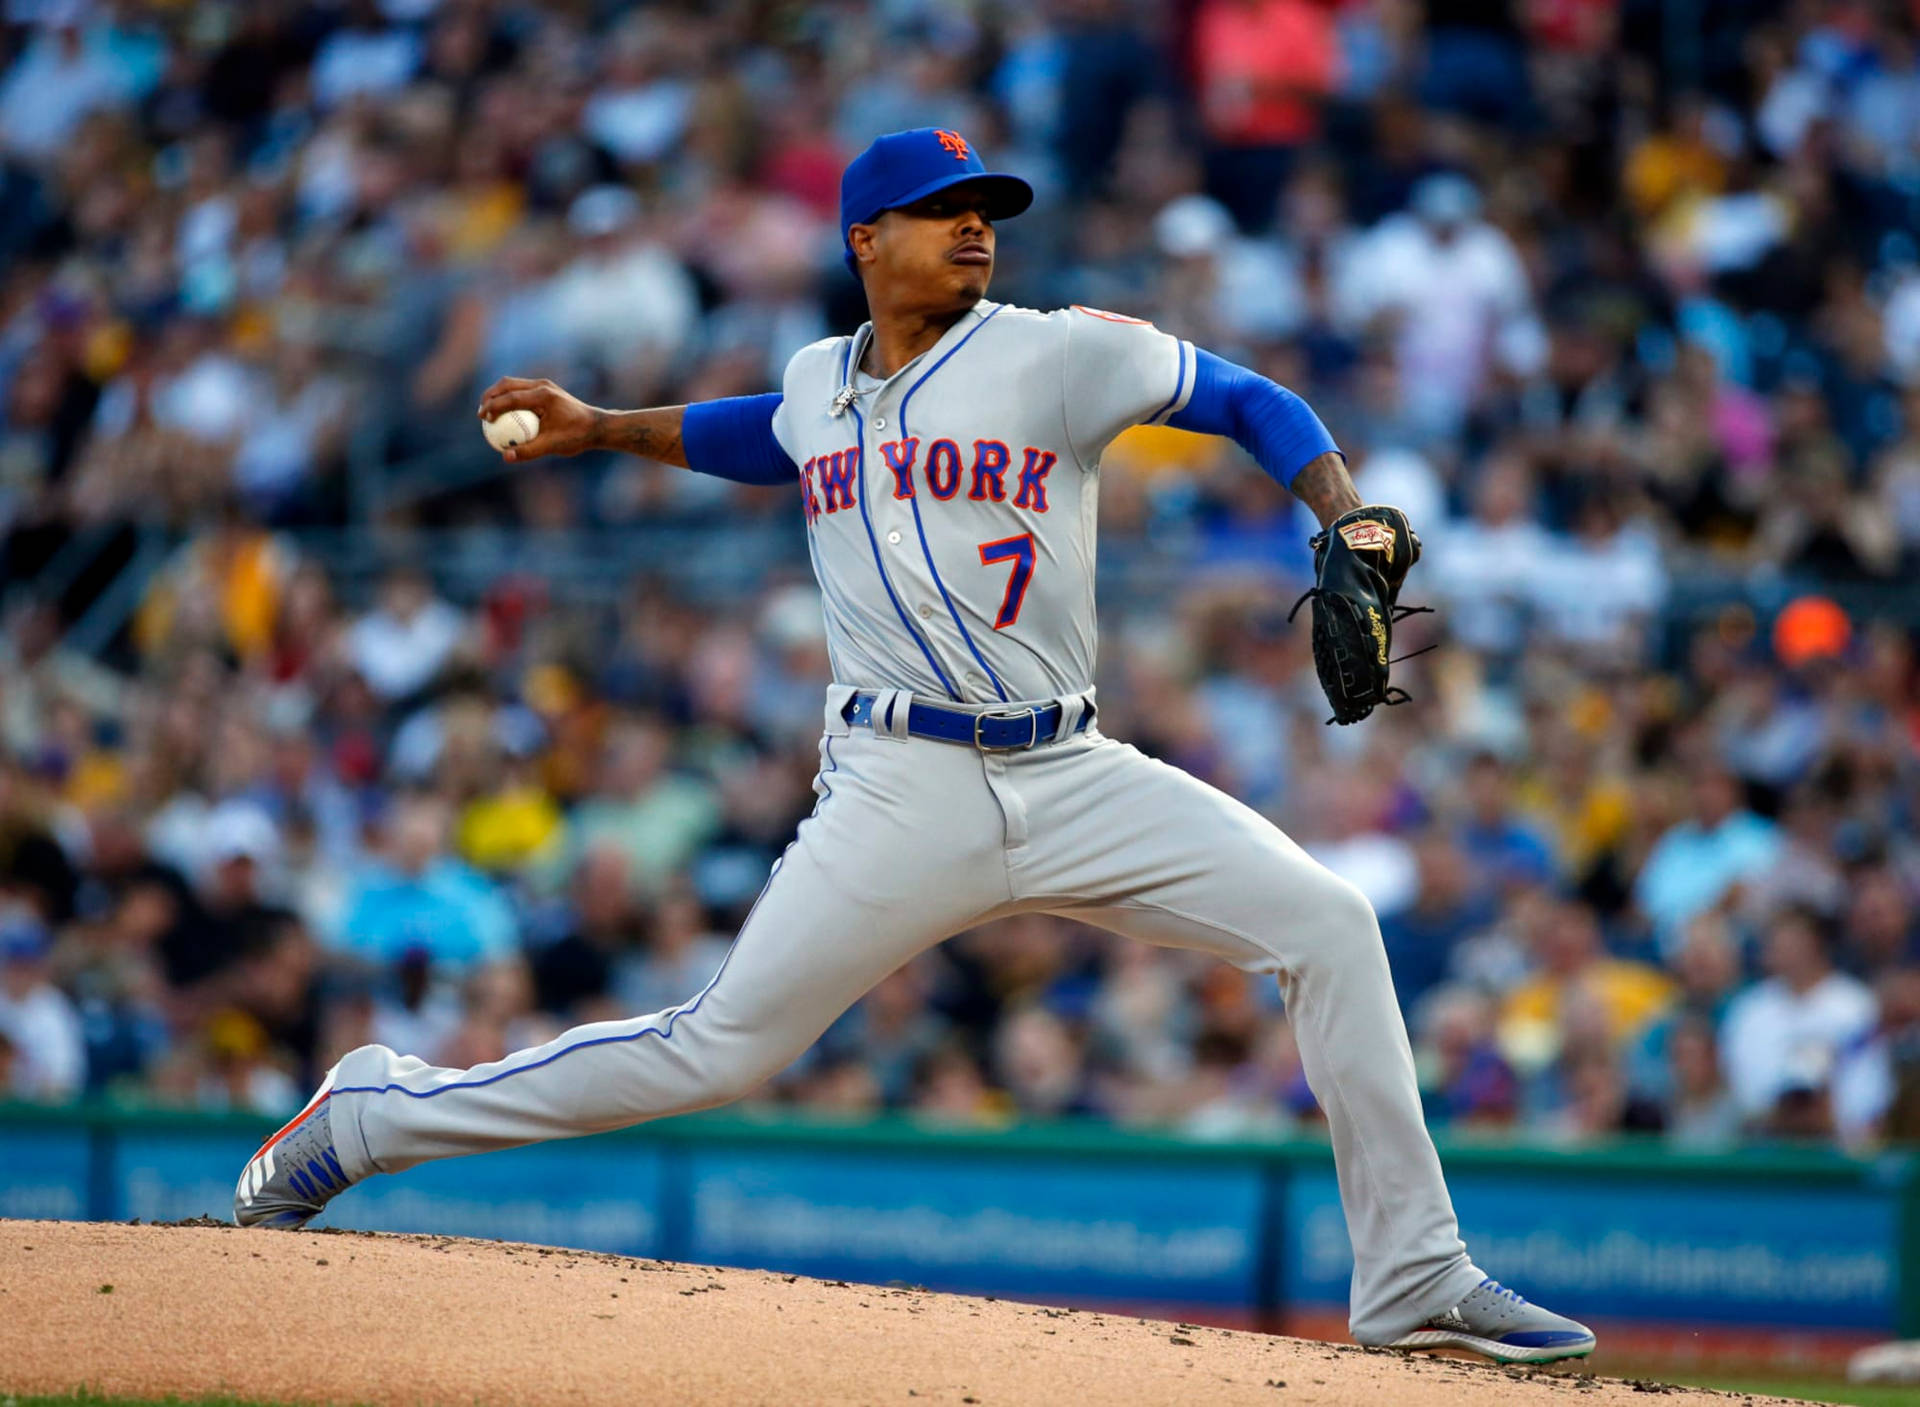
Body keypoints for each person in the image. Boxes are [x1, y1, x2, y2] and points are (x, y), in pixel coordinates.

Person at [233, 128, 1594, 1365]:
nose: (973, 228)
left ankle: (1415, 1276)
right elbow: (761, 441)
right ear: (861, 241)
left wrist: (1341, 511)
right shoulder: (817, 382)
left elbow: (1247, 400)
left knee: (1331, 922)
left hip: (1073, 773)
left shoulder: (1057, 349)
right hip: (900, 787)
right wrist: (600, 428)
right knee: (719, 1052)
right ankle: (374, 1117)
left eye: (983, 209)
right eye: (938, 209)